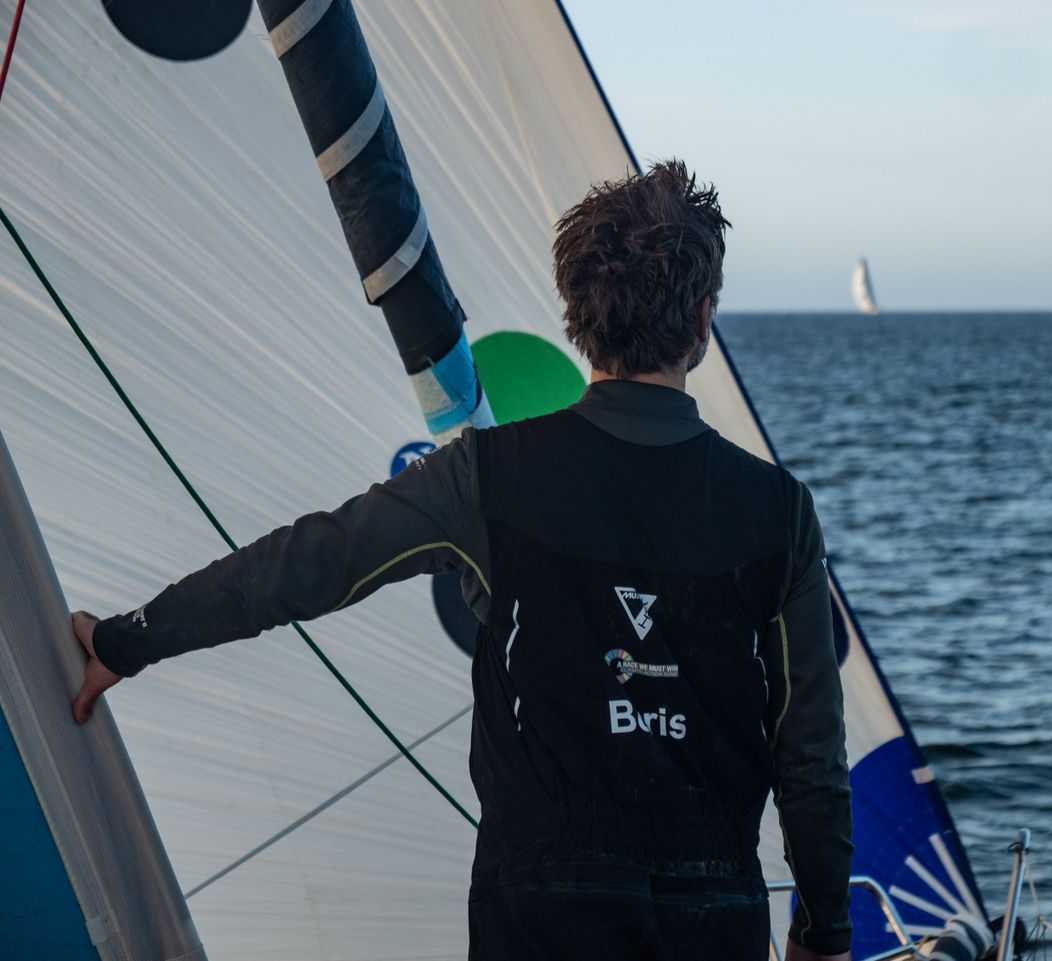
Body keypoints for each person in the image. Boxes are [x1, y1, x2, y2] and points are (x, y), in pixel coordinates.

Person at [71, 160, 853, 961]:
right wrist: (823, 934)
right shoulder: (777, 512)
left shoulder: (487, 475)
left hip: (539, 919)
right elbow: (812, 758)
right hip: (712, 920)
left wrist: (128, 640)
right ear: (702, 318)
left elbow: (307, 563)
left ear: (579, 317)